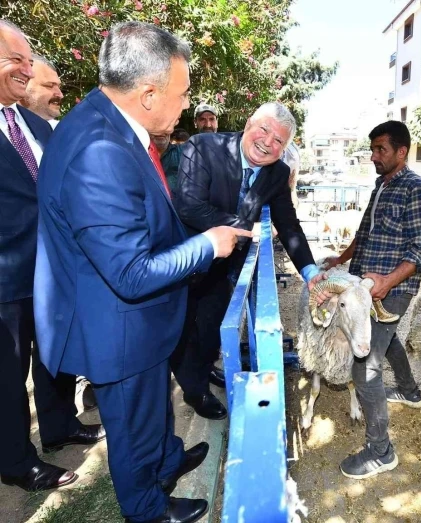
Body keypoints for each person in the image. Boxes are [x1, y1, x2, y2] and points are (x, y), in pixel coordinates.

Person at [34, 21, 250, 523]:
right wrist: (208, 244)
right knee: (132, 424)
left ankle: (167, 461)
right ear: (149, 93)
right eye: (183, 93)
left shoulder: (111, 121)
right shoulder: (99, 151)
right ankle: (148, 508)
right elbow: (130, 272)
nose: (186, 105)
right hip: (117, 324)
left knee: (153, 409)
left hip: (139, 319)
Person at [0, 19, 105, 493]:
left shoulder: (37, 124)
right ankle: (17, 461)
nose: (24, 68)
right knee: (8, 375)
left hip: (54, 271)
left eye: (27, 59)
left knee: (55, 357)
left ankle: (60, 426)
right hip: (6, 280)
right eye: (13, 59)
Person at [173, 101, 325, 420]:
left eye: (279, 141)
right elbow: (189, 206)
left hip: (222, 266)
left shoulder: (278, 172)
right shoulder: (202, 147)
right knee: (184, 330)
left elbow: (289, 223)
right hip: (184, 259)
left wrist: (310, 271)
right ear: (248, 124)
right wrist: (247, 227)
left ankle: (203, 371)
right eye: (264, 130)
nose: (268, 143)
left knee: (212, 326)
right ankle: (195, 391)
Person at [324, 121, 421, 480]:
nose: (374, 156)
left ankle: (380, 451)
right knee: (384, 342)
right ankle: (409, 390)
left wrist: (388, 282)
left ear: (401, 152)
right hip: (363, 286)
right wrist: (341, 259)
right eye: (372, 149)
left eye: (381, 150)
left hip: (392, 290)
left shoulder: (418, 190)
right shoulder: (381, 185)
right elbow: (364, 233)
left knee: (365, 366)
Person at [19, 54, 62, 128]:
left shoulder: (61, 131)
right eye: (49, 86)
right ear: (22, 84)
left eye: (59, 87)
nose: (60, 95)